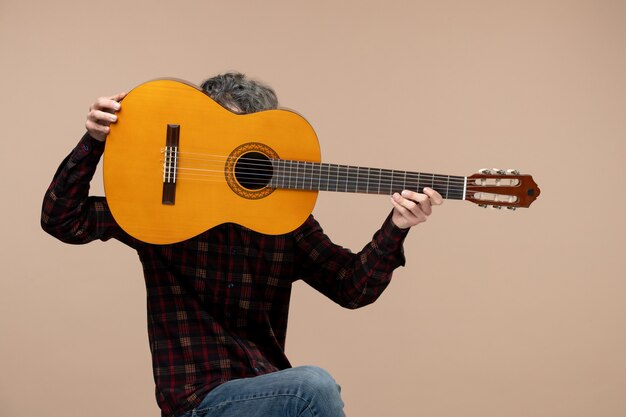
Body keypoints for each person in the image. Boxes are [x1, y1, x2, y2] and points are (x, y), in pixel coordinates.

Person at [41, 72, 443, 417]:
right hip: (196, 402)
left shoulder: (284, 221)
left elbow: (353, 287)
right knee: (313, 387)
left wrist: (397, 225)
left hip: (270, 393)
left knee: (307, 389)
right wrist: (94, 141)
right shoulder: (159, 213)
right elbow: (62, 218)